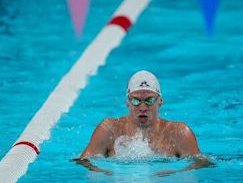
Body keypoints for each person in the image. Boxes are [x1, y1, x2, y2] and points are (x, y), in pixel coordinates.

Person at [73, 70, 213, 176]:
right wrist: (110, 175)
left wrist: (173, 174)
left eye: (149, 100)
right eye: (135, 100)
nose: (142, 107)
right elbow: (83, 162)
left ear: (160, 101)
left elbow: (201, 164)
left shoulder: (179, 133)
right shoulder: (109, 130)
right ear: (127, 101)